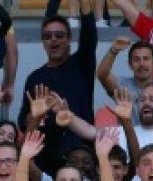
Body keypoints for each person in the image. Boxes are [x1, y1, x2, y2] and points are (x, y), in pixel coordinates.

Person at [18, 0, 98, 150]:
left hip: (80, 153)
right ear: (43, 42)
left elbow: (89, 32)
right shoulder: (34, 78)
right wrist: (35, 115)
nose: (53, 39)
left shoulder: (81, 64)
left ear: (69, 39)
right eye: (47, 36)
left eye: (59, 35)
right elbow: (23, 123)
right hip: (45, 156)